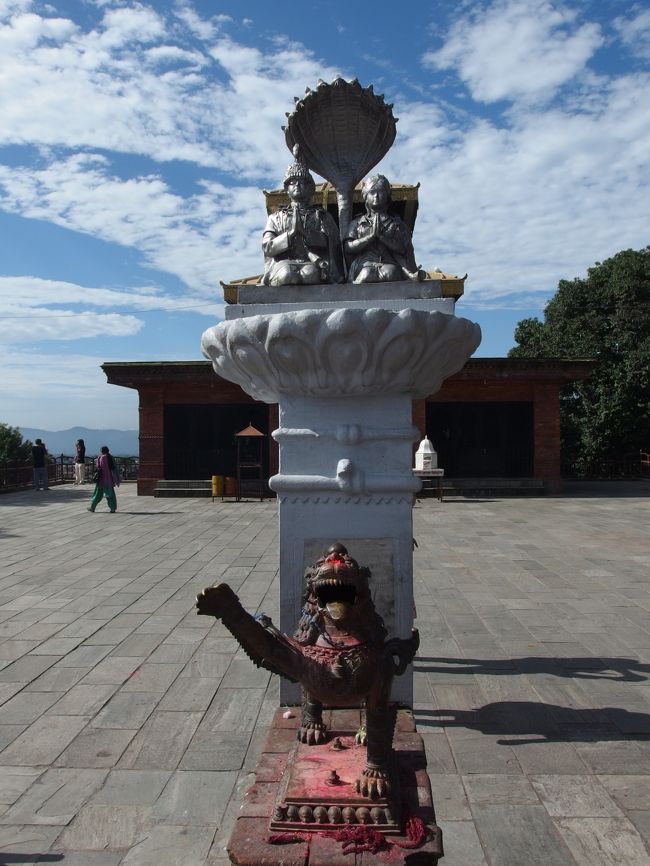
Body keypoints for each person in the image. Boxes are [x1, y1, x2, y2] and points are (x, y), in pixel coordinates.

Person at [261, 146, 343, 286]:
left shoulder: (320, 215)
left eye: (302, 182)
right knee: (288, 274)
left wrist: (306, 233)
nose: (297, 185)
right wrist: (290, 234)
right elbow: (268, 247)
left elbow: (331, 242)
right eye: (293, 182)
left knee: (311, 275)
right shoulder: (276, 217)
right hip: (284, 264)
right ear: (287, 189)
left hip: (311, 262)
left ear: (310, 187)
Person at [343, 174, 424, 284]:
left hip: (389, 264)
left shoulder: (396, 224)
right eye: (372, 192)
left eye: (381, 192)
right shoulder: (356, 223)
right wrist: (370, 237)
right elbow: (348, 247)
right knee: (366, 273)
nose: (376, 196)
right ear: (366, 196)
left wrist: (382, 237)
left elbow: (403, 249)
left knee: (391, 272)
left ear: (387, 196)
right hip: (363, 264)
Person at [88, 446, 120, 513]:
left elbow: (99, 468)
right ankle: (113, 508)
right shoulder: (110, 457)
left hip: (101, 480)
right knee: (110, 494)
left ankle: (92, 507)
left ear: (101, 451)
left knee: (97, 495)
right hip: (109, 480)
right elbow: (115, 468)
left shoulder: (101, 457)